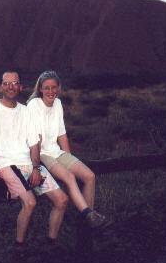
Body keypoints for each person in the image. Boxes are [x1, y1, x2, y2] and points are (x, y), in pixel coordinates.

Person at [0, 71, 69, 255]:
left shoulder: (25, 111)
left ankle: (51, 244)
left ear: (20, 87)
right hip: (3, 163)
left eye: (15, 83)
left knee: (61, 200)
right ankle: (19, 247)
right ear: (0, 86)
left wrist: (36, 168)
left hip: (27, 163)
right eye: (7, 83)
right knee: (30, 202)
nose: (11, 86)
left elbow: (33, 144)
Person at [27, 70, 109, 229]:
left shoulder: (57, 104)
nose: (50, 91)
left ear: (58, 88)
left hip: (56, 151)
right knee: (70, 177)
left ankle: (88, 220)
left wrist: (69, 159)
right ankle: (88, 215)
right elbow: (34, 140)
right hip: (41, 153)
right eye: (46, 88)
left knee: (89, 176)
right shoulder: (34, 105)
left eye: (53, 87)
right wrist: (35, 165)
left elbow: (62, 134)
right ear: (40, 89)